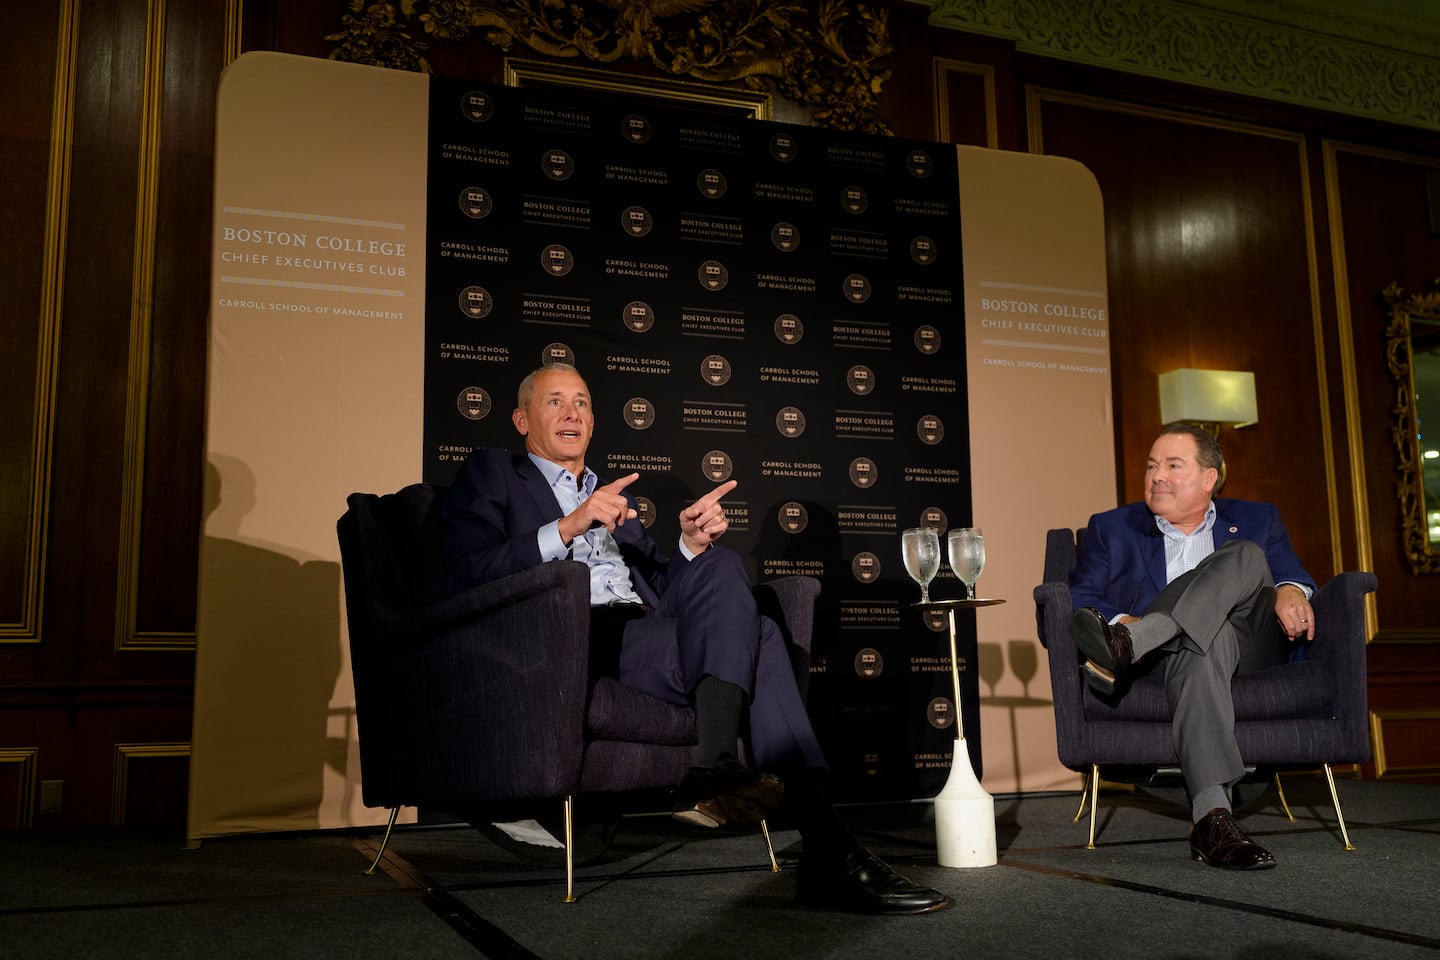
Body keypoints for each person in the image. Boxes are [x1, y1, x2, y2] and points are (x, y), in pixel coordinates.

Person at [439, 362, 949, 914]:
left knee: (723, 567)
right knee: (760, 636)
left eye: (583, 402)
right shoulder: (495, 475)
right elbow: (461, 573)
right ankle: (828, 848)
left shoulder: (615, 502)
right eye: (556, 401)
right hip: (572, 640)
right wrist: (566, 527)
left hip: (643, 632)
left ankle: (717, 771)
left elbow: (665, 591)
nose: (572, 413)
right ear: (522, 418)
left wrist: (688, 546)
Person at [1068, 422, 1316, 871]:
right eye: (1151, 465)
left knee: (1245, 555)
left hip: (1252, 646)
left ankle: (1131, 644)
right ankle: (1212, 820)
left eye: (1173, 465)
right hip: (1172, 662)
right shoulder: (1111, 527)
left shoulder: (1259, 519)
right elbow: (1080, 597)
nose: (1156, 475)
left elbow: (1290, 570)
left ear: (1209, 478)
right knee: (1205, 642)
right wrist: (1124, 618)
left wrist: (1292, 588)